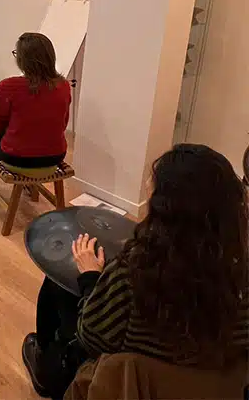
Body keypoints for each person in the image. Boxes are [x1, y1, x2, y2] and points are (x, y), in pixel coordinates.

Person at [22, 144, 249, 398]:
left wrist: (90, 278)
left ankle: (49, 370)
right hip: (216, 390)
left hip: (133, 388)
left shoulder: (134, 275)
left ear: (165, 212)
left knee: (59, 286)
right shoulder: (241, 278)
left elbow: (92, 338)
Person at [0, 32, 71, 194]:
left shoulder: (8, 86)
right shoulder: (63, 86)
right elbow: (63, 124)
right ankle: (30, 185)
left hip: (18, 159)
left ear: (22, 59)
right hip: (55, 157)